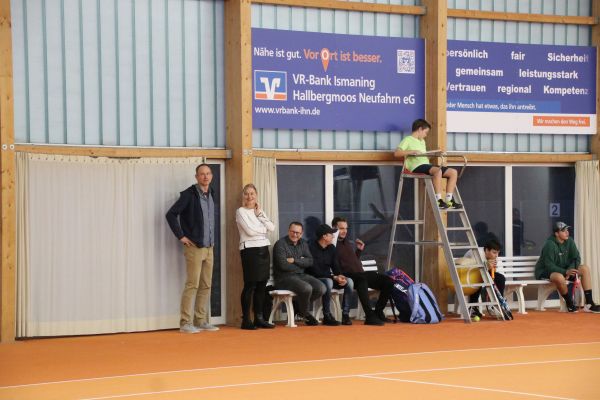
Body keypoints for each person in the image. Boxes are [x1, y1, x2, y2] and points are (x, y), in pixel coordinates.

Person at [166, 164, 220, 333]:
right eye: (202, 174)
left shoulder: (212, 193)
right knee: (192, 285)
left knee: (206, 285)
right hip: (194, 247)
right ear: (196, 177)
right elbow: (171, 214)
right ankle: (185, 323)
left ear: (211, 176)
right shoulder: (189, 195)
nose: (205, 176)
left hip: (209, 247)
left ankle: (201, 320)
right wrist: (181, 236)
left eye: (208, 173)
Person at [394, 118, 462, 209]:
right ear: (420, 129)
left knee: (453, 172)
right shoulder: (408, 139)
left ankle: (449, 200)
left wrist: (435, 154)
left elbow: (424, 157)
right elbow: (396, 153)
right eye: (425, 132)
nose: (426, 135)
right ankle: (438, 200)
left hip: (426, 165)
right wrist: (412, 151)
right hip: (415, 166)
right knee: (437, 171)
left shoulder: (422, 141)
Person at [331, 216, 388, 325]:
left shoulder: (347, 242)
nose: (345, 231)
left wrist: (359, 250)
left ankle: (378, 312)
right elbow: (335, 265)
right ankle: (370, 316)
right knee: (362, 279)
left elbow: (353, 261)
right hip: (348, 276)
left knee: (388, 281)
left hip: (360, 274)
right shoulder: (332, 245)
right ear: (334, 228)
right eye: (341, 228)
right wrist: (338, 275)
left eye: (346, 228)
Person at [535, 221, 600, 313]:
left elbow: (576, 258)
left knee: (584, 268)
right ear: (556, 234)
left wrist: (570, 270)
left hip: (564, 269)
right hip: (545, 271)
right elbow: (549, 266)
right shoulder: (549, 245)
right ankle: (569, 304)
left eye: (567, 230)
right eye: (563, 231)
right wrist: (565, 272)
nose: (567, 232)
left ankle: (589, 304)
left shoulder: (569, 241)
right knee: (559, 277)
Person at [235, 184, 276, 330]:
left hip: (263, 249)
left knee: (261, 285)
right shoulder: (240, 211)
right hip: (249, 250)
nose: (249, 196)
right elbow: (250, 231)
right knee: (250, 285)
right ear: (243, 196)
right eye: (246, 193)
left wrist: (259, 215)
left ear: (256, 195)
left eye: (252, 193)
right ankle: (246, 320)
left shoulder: (260, 212)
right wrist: (263, 230)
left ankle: (259, 318)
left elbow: (272, 227)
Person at [272, 222, 326, 325]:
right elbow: (283, 266)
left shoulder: (303, 243)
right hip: (283, 278)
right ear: (288, 231)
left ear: (301, 233)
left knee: (321, 288)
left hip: (300, 276)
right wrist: (301, 263)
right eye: (293, 232)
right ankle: (305, 313)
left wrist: (294, 260)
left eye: (298, 233)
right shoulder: (280, 244)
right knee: (306, 288)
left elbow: (310, 261)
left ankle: (298, 307)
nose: (295, 235)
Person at [307, 224, 352, 326]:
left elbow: (336, 266)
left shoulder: (332, 248)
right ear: (324, 236)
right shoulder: (311, 248)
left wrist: (340, 276)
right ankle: (327, 315)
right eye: (331, 234)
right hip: (314, 279)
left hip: (328, 278)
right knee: (328, 282)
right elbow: (314, 270)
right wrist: (333, 277)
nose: (333, 236)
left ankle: (345, 314)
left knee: (349, 282)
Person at [463, 239, 506, 320]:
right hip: (465, 274)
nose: (496, 255)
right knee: (478, 278)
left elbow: (495, 274)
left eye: (498, 253)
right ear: (486, 250)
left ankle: (498, 304)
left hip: (480, 273)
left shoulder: (494, 257)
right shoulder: (476, 253)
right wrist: (486, 266)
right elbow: (472, 269)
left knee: (500, 278)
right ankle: (473, 307)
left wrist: (492, 268)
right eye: (494, 252)